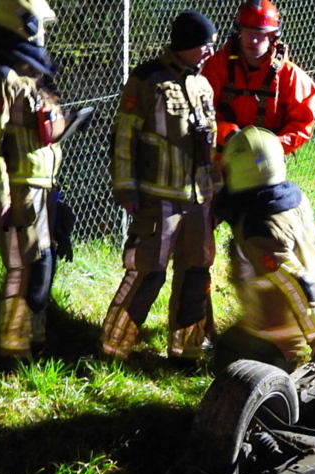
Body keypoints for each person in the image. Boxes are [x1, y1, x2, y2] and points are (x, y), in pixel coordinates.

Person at [100, 10, 220, 366]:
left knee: (197, 273)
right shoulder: (147, 79)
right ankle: (113, 347)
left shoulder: (203, 84)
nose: (209, 53)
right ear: (184, 44)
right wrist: (125, 187)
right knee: (147, 272)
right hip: (158, 198)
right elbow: (124, 137)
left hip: (197, 199)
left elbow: (209, 145)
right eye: (204, 46)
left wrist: (213, 192)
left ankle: (187, 352)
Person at [0, 0, 68, 362]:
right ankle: (12, 352)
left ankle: (33, 342)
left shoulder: (26, 73)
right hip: (20, 189)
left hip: (42, 184)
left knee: (42, 266)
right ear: (23, 23)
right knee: (26, 268)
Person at [213, 126, 315, 372]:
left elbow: (296, 282)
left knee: (228, 360)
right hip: (301, 316)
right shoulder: (292, 197)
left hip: (272, 333)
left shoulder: (258, 227)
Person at [201, 0, 315, 160]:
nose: (253, 39)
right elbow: (201, 113)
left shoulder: (290, 75)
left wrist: (270, 147)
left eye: (260, 33)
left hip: (266, 161)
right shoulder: (217, 65)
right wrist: (228, 134)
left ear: (272, 35)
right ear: (239, 32)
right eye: (248, 31)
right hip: (221, 157)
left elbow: (302, 124)